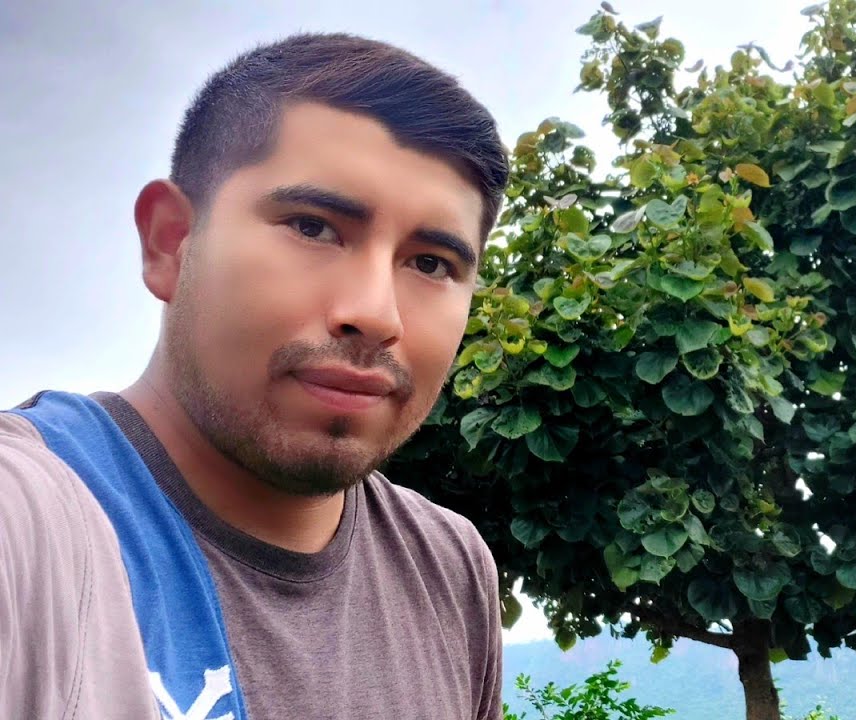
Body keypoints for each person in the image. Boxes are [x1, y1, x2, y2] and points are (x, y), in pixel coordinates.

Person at [0, 32, 509, 719]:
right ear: (171, 242)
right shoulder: (29, 522)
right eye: (313, 227)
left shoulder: (449, 567)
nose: (375, 314)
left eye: (430, 264)